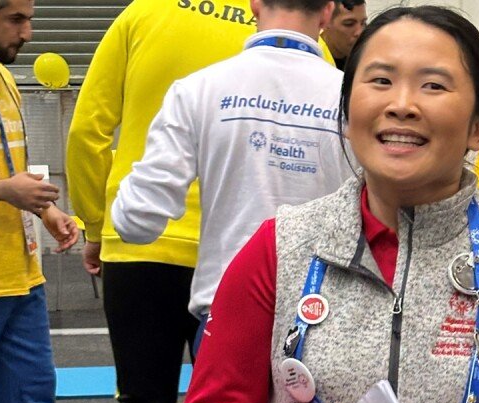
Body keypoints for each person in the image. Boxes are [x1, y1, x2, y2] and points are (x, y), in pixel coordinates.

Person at [174, 6, 479, 403]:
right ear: (347, 114)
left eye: (433, 85)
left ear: (478, 128)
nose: (401, 105)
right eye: (380, 81)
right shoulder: (279, 248)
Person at [64, 0, 262, 403]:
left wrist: (95, 224)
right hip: (242, 251)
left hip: (140, 240)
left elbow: (87, 131)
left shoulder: (142, 13)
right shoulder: (278, 21)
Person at [111, 0, 353, 349]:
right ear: (328, 12)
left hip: (228, 313)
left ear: (255, 4)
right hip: (325, 314)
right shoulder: (354, 99)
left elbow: (136, 221)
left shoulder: (197, 90)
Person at [0, 0, 80, 403]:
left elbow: (11, 166)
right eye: (15, 20)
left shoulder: (4, 79)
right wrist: (6, 191)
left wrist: (45, 210)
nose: (27, 33)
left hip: (21, 279)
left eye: (30, 20)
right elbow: (4, 183)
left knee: (32, 396)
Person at [320, 0, 366, 69]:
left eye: (363, 23)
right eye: (349, 24)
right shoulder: (313, 60)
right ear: (326, 21)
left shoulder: (366, 55)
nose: (360, 32)